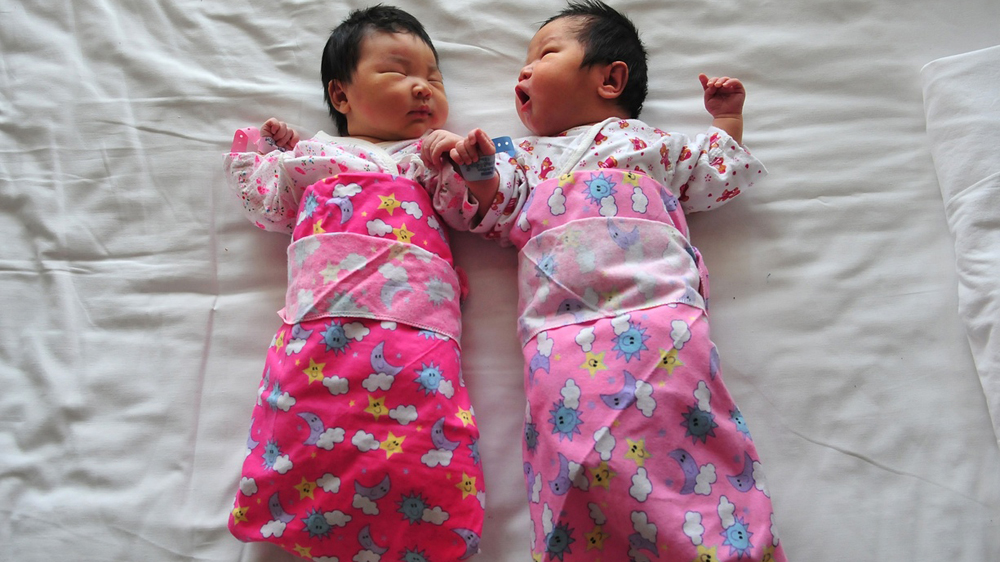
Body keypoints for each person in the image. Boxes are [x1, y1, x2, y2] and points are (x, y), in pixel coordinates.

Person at [424, 1, 787, 561]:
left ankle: (717, 540)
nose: (523, 71)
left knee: (681, 419)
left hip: (661, 313)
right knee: (575, 442)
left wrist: (727, 120)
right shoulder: (521, 158)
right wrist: (477, 171)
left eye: (544, 55)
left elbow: (717, 171)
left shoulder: (650, 146)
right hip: (562, 333)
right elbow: (491, 208)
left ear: (610, 79)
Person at [222, 6, 486, 561]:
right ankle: (289, 509)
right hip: (321, 328)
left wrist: (464, 165)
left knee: (425, 426)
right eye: (397, 71)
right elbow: (267, 206)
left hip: (415, 337)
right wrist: (267, 152)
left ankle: (433, 520)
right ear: (340, 96)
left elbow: (469, 213)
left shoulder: (427, 161)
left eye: (434, 78)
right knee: (303, 412)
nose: (423, 87)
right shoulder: (316, 157)